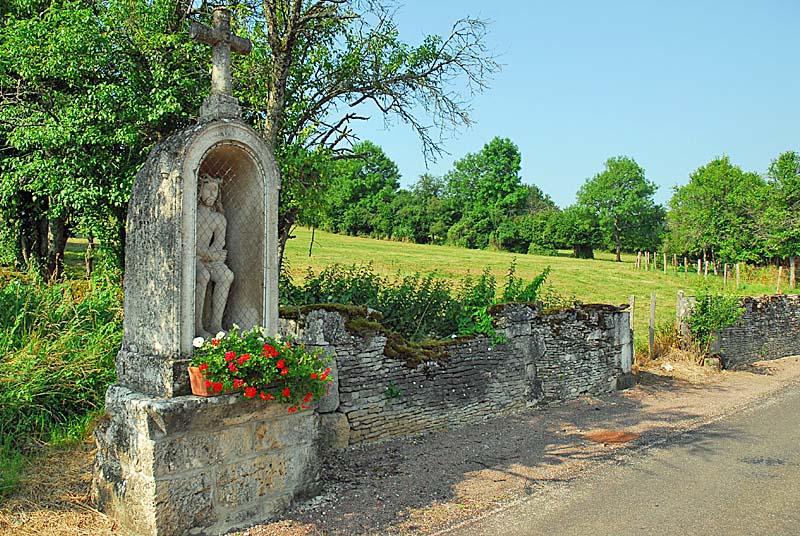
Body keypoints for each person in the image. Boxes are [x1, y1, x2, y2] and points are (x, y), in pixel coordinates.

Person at [195, 173, 234, 338]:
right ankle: (197, 326)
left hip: (210, 257)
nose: (212, 194)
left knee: (226, 275)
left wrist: (213, 255)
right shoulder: (192, 213)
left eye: (215, 190)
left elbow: (219, 243)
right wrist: (203, 253)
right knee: (202, 275)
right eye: (209, 189)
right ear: (199, 190)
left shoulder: (218, 219)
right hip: (193, 257)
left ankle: (215, 324)